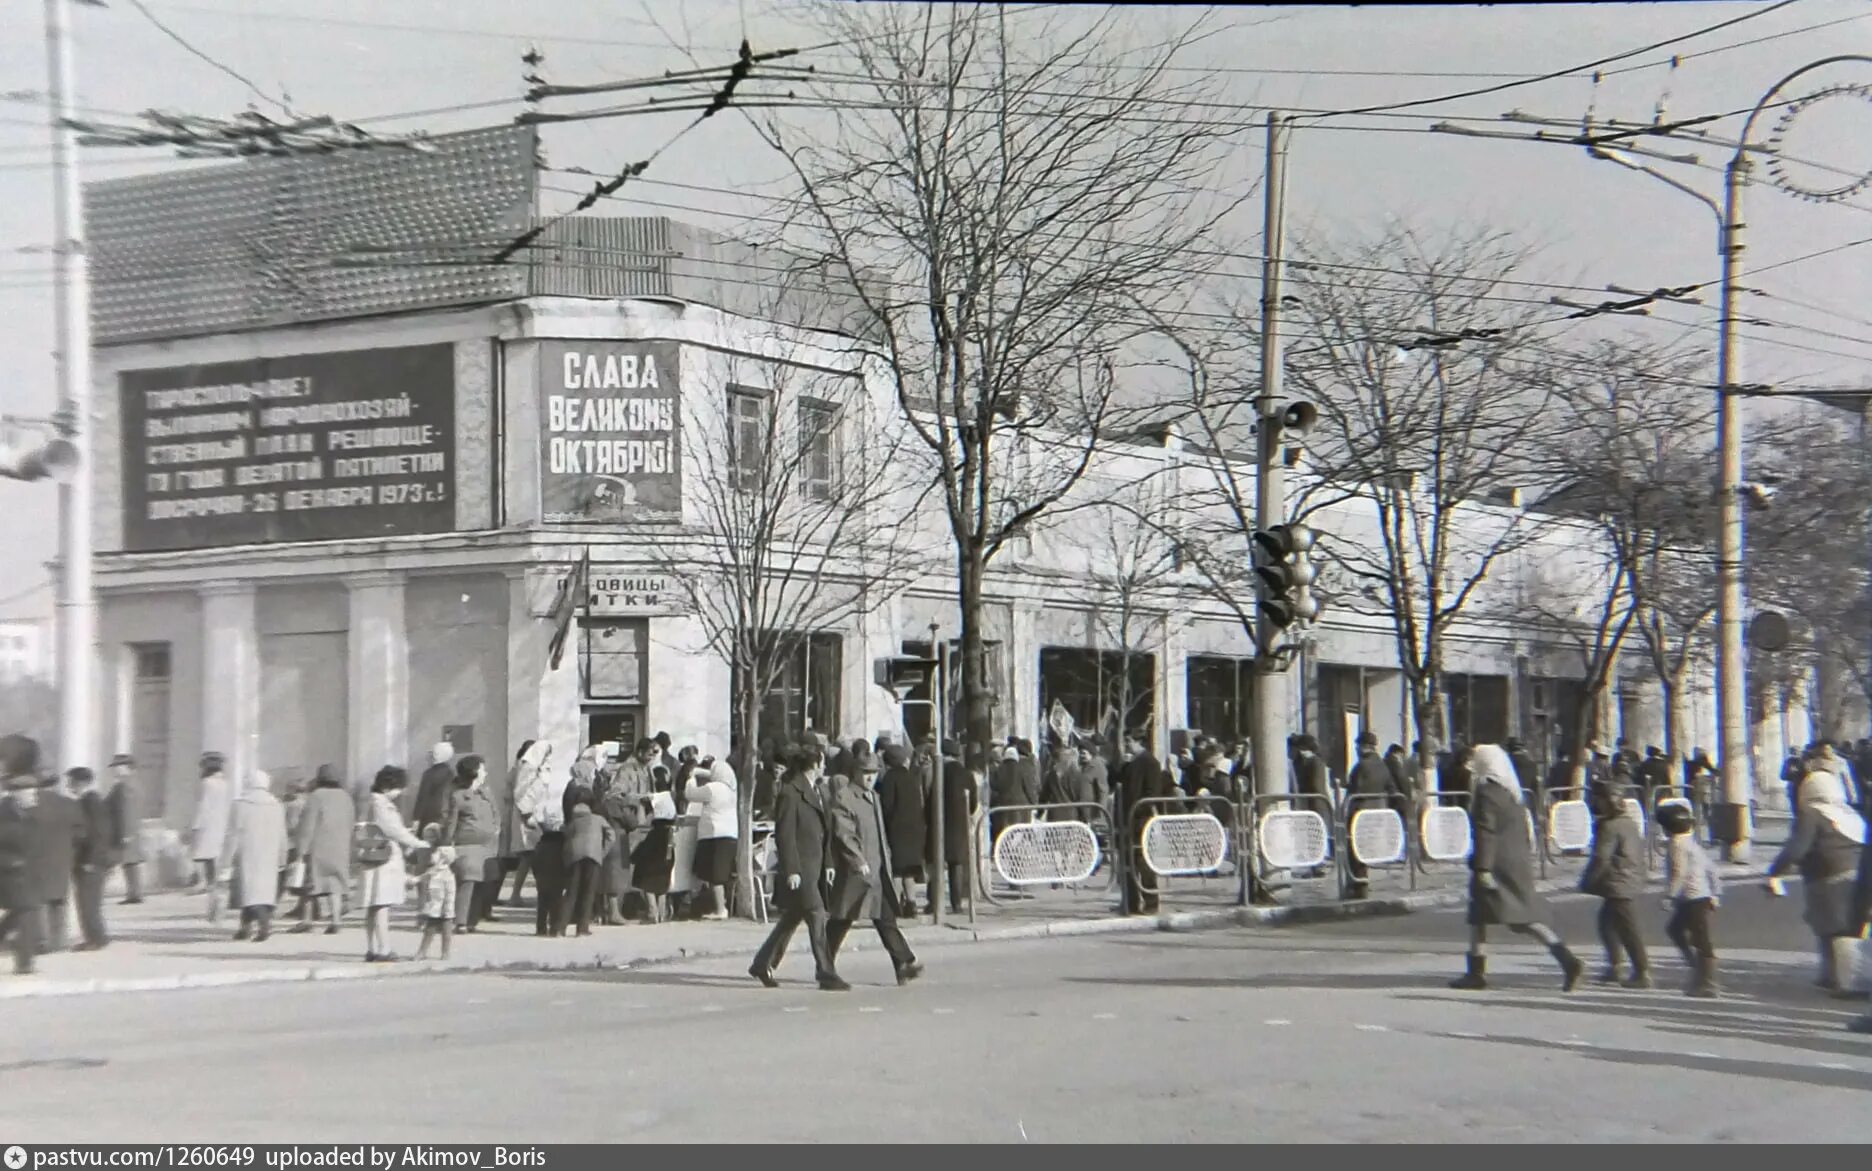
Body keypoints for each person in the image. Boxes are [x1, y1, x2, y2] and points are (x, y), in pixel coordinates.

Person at [1449, 744, 1584, 992]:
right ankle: (1565, 958)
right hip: (1514, 860)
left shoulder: (1487, 792)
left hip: (1494, 863)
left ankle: (1477, 972)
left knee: (1508, 917)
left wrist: (1482, 868)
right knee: (1499, 916)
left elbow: (1485, 832)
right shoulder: (1511, 792)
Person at [749, 742, 846, 991]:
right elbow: (785, 834)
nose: (825, 766)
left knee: (792, 918)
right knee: (816, 914)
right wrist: (791, 869)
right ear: (814, 764)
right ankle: (826, 971)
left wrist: (829, 863)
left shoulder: (818, 791)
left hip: (815, 867)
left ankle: (763, 963)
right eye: (822, 761)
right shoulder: (791, 793)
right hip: (801, 869)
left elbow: (824, 832)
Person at [1766, 765, 1866, 993]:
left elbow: (1797, 849)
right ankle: (1830, 975)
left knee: (1835, 930)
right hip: (1854, 877)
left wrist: (1775, 872)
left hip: (1826, 879)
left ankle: (1845, 982)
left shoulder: (1812, 814)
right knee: (1837, 927)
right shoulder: (1848, 813)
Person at [826, 754, 922, 986]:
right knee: (842, 919)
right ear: (855, 773)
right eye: (865, 774)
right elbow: (844, 834)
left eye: (873, 774)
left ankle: (903, 963)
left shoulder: (874, 797)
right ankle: (825, 965)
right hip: (856, 873)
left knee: (885, 918)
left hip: (878, 870)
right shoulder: (845, 797)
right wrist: (857, 860)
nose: (870, 778)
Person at [1579, 781, 1648, 988]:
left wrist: (1588, 880)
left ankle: (1642, 971)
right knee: (1607, 924)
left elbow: (1601, 858)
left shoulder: (1610, 826)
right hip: (1630, 876)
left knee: (1628, 928)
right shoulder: (1628, 822)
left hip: (1619, 881)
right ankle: (1615, 965)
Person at [360, 766, 426, 963]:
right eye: (398, 788)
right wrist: (417, 843)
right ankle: (384, 948)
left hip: (372, 856)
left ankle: (372, 948)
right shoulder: (382, 805)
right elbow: (393, 830)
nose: (400, 793)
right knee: (381, 904)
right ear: (389, 786)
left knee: (373, 906)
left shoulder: (372, 802)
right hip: (383, 858)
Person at [0, 735, 53, 974]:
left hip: (27, 874)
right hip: (10, 873)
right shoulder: (5, 813)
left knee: (19, 914)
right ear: (17, 793)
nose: (34, 796)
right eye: (30, 792)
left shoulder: (29, 814)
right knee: (25, 915)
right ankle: (24, 963)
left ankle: (21, 957)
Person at [1658, 802, 1721, 998]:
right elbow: (1712, 868)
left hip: (1693, 897)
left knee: (1701, 940)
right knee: (1677, 930)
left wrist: (1669, 895)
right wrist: (1716, 893)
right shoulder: (1691, 842)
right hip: (1700, 895)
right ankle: (1697, 969)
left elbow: (1679, 873)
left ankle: (1707, 982)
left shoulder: (1677, 844)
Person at [220, 770, 289, 943]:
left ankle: (263, 926)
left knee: (249, 893)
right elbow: (282, 834)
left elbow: (233, 834)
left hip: (248, 853)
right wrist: (283, 856)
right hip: (270, 854)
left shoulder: (240, 804)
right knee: (262, 893)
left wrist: (226, 859)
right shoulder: (276, 805)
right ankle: (245, 927)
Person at [1116, 733, 1176, 915]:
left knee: (1143, 862)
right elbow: (1116, 780)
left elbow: (1152, 791)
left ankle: (1151, 901)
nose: (1126, 745)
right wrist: (1122, 764)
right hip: (1127, 818)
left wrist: (1141, 810)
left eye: (1129, 741)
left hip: (1141, 818)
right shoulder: (1130, 764)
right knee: (1128, 862)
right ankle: (1130, 902)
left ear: (1139, 742)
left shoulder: (1150, 763)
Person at [293, 764, 354, 935]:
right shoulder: (346, 797)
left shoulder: (316, 797)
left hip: (318, 846)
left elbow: (308, 826)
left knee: (311, 884)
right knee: (335, 884)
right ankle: (336, 920)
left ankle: (307, 920)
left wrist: (301, 849)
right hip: (340, 846)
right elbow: (351, 823)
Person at [511, 742, 564, 936]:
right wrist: (535, 819)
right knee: (545, 880)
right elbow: (523, 800)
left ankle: (546, 925)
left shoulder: (541, 773)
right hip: (537, 827)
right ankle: (547, 926)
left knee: (545, 882)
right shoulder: (528, 774)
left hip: (544, 827)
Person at [442, 755, 500, 933]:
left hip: (488, 847)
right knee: (468, 881)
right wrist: (446, 845)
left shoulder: (486, 793)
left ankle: (472, 919)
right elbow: (451, 823)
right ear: (474, 772)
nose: (486, 772)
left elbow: (496, 813)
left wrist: (496, 829)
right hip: (466, 847)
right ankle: (460, 921)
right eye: (482, 769)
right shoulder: (458, 796)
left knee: (484, 883)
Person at [874, 743, 927, 917]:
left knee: (896, 870)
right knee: (909, 870)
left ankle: (894, 904)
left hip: (897, 829)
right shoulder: (912, 776)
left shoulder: (889, 778)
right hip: (915, 828)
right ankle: (911, 904)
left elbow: (887, 805)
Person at [685, 755, 738, 921]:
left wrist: (691, 777)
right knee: (720, 874)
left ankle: (720, 909)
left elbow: (690, 794)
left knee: (715, 876)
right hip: (729, 834)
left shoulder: (713, 788)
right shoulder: (731, 790)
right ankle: (719, 906)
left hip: (714, 833)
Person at [36, 769, 83, 952]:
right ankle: (59, 940)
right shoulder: (68, 804)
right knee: (59, 900)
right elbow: (81, 833)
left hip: (37, 859)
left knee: (40, 901)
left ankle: (42, 940)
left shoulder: (31, 806)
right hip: (63, 859)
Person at [1345, 732, 1397, 898]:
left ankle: (1358, 885)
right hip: (1377, 812)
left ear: (1362, 746)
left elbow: (1354, 789)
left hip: (1359, 812)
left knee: (1355, 850)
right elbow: (1392, 788)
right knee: (1366, 849)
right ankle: (1361, 885)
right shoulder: (1383, 765)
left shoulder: (1361, 766)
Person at [66, 768, 112, 952]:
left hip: (90, 862)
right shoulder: (89, 801)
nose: (69, 786)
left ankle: (95, 938)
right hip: (89, 860)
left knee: (88, 901)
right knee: (87, 901)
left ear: (81, 783)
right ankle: (95, 936)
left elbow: (98, 834)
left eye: (71, 782)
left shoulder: (91, 802)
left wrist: (90, 860)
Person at [630, 768, 678, 924]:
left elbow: (643, 821)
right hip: (668, 842)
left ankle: (652, 912)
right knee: (663, 877)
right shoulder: (671, 798)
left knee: (646, 876)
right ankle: (662, 912)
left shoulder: (652, 798)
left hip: (656, 840)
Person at [561, 789, 611, 937]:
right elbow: (611, 835)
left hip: (575, 858)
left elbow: (566, 838)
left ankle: (560, 927)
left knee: (572, 893)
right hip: (593, 857)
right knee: (588, 893)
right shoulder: (598, 819)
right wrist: (602, 852)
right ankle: (582, 928)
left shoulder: (573, 822)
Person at [191, 753, 233, 925]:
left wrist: (195, 827)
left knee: (210, 875)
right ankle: (219, 909)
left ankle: (214, 910)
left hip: (208, 831)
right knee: (220, 874)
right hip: (222, 831)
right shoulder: (225, 784)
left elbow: (203, 808)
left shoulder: (207, 784)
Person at [411, 825, 457, 961]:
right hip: (438, 885)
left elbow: (434, 868)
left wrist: (417, 879)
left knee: (439, 919)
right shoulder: (426, 850)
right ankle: (439, 952)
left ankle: (429, 951)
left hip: (441, 886)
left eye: (431, 836)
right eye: (425, 836)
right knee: (440, 918)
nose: (427, 839)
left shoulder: (443, 851)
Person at [104, 754, 144, 905]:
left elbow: (126, 811)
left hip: (123, 830)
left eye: (117, 766)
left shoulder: (124, 786)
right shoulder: (134, 784)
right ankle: (134, 893)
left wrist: (126, 833)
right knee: (130, 863)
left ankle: (96, 891)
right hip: (130, 830)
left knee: (110, 862)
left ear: (127, 767)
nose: (115, 769)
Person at [411, 742, 456, 833]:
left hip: (429, 814)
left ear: (435, 755)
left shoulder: (429, 774)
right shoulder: (452, 774)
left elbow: (422, 797)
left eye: (432, 752)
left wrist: (416, 818)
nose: (429, 755)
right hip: (446, 815)